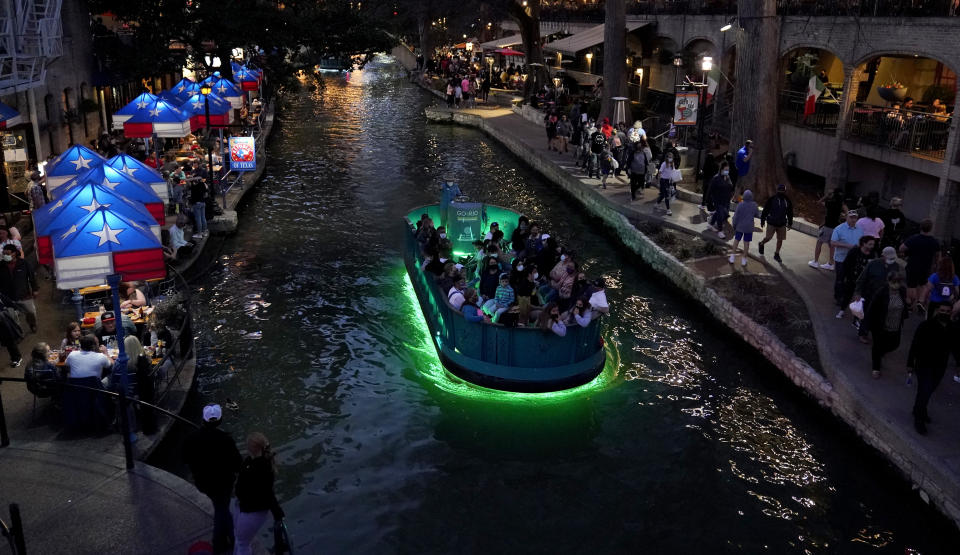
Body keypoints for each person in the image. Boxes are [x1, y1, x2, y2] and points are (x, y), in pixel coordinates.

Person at [182, 404, 243, 553]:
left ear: (203, 420)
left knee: (220, 506)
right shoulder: (226, 440)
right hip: (224, 483)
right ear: (220, 420)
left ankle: (228, 537)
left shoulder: (192, 438)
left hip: (203, 482)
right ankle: (221, 542)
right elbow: (237, 464)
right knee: (221, 508)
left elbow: (186, 458)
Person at [905, 302, 960, 435]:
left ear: (951, 312)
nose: (945, 313)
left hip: (940, 366)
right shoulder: (926, 326)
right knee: (925, 390)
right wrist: (910, 363)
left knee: (928, 390)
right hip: (924, 364)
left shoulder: (952, 328)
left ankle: (919, 410)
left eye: (947, 311)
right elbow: (915, 344)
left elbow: (955, 348)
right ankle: (919, 417)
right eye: (943, 310)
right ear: (937, 310)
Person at [233, 432, 284, 555]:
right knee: (241, 539)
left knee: (242, 543)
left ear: (251, 448)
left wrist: (277, 512)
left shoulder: (261, 467)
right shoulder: (252, 461)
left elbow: (267, 493)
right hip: (245, 506)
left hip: (252, 510)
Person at [854, 246, 905, 343]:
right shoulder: (873, 264)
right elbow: (862, 279)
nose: (891, 260)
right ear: (883, 256)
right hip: (870, 294)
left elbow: (898, 281)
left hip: (885, 296)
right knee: (867, 315)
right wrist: (858, 292)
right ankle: (863, 334)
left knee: (882, 316)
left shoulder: (896, 266)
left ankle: (879, 335)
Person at [865, 272, 907, 378]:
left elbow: (904, 304)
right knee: (877, 345)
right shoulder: (882, 292)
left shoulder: (902, 291)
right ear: (889, 281)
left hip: (895, 324)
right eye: (894, 282)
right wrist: (868, 324)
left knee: (894, 344)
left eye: (898, 282)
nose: (896, 284)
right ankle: (876, 368)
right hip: (880, 325)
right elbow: (872, 308)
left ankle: (880, 353)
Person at [901, 219, 940, 312]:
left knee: (911, 285)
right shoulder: (934, 241)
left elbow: (902, 248)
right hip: (926, 267)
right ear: (930, 229)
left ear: (920, 227)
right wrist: (935, 265)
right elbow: (938, 256)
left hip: (913, 265)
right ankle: (920, 301)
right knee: (923, 284)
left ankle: (910, 304)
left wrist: (908, 253)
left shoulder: (914, 238)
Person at [0, 244, 38, 333]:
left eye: (8, 253)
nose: (5, 256)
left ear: (14, 253)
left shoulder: (24, 263)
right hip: (8, 297)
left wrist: (35, 289)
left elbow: (31, 277)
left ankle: (32, 324)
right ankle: (18, 332)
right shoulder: (1, 266)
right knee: (12, 317)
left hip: (24, 295)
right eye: (4, 253)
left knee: (31, 313)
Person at [838, 236, 876, 322]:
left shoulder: (872, 254)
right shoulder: (855, 251)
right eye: (870, 244)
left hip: (864, 281)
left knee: (861, 299)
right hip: (852, 278)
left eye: (873, 244)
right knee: (848, 295)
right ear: (864, 243)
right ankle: (842, 310)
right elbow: (846, 264)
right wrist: (845, 277)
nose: (872, 246)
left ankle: (857, 318)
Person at [757, 183, 794, 263]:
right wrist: (762, 220)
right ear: (777, 190)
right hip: (771, 222)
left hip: (782, 223)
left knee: (780, 239)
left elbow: (790, 213)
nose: (781, 191)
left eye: (782, 190)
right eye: (780, 190)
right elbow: (766, 210)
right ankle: (761, 243)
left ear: (784, 191)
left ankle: (776, 254)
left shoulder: (787, 201)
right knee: (768, 238)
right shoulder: (772, 199)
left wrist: (790, 223)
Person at [810, 188, 845, 269]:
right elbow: (847, 212)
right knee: (832, 245)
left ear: (834, 194)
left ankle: (815, 262)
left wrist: (827, 195)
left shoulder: (830, 203)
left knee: (819, 242)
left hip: (828, 227)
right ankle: (831, 263)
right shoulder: (841, 204)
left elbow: (818, 202)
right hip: (836, 228)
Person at [729, 189, 760, 266]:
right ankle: (744, 259)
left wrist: (734, 225)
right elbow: (757, 214)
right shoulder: (754, 205)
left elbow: (735, 217)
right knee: (746, 243)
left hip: (739, 227)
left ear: (744, 196)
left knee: (736, 241)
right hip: (749, 228)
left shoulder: (740, 204)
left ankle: (732, 257)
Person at [707, 161, 734, 237]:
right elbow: (710, 190)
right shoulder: (716, 178)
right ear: (721, 169)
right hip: (717, 200)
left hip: (725, 200)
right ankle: (720, 231)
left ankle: (711, 224)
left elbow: (731, 186)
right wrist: (709, 201)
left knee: (720, 213)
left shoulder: (727, 177)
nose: (727, 171)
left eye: (728, 170)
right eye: (725, 169)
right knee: (720, 214)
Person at [656, 152, 681, 216]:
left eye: (671, 157)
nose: (670, 158)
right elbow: (660, 172)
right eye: (669, 157)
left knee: (664, 194)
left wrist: (675, 178)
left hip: (669, 181)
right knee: (666, 195)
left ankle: (657, 204)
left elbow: (673, 172)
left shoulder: (672, 164)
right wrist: (658, 182)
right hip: (663, 181)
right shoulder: (664, 164)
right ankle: (668, 210)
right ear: (666, 157)